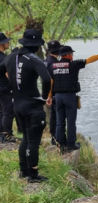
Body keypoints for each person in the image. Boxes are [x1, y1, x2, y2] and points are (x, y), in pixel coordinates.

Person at [0, 29, 52, 182]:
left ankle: (23, 171)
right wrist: (44, 97)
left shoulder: (9, 58)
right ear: (36, 46)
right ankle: (33, 175)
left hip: (18, 105)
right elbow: (47, 79)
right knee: (33, 142)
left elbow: (3, 72)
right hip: (32, 106)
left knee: (25, 139)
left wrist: (14, 84)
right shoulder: (34, 59)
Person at [50, 45, 98, 152]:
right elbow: (89, 60)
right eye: (71, 54)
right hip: (69, 97)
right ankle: (71, 144)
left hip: (57, 97)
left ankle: (60, 143)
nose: (73, 55)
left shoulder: (53, 66)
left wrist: (50, 96)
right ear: (67, 55)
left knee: (60, 122)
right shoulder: (74, 64)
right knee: (71, 122)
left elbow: (51, 82)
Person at [0, 32, 16, 143]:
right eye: (7, 41)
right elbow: (8, 74)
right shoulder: (4, 58)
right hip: (4, 88)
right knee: (8, 111)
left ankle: (1, 134)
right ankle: (7, 135)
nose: (8, 43)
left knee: (1, 111)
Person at [45, 40, 62, 145]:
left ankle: (53, 137)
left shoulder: (45, 61)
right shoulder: (55, 63)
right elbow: (53, 80)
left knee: (53, 115)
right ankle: (56, 138)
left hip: (47, 91)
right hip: (54, 92)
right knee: (57, 116)